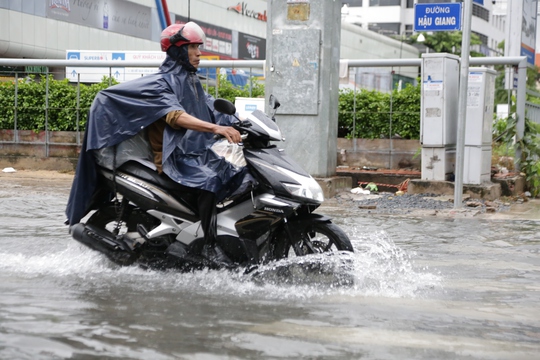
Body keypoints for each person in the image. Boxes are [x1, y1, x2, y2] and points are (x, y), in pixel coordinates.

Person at [65, 22, 251, 267]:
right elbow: (175, 115)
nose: (198, 53)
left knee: (239, 175)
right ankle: (209, 246)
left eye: (198, 46)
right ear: (177, 51)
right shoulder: (161, 83)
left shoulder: (190, 81)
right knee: (210, 182)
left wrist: (244, 123)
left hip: (194, 153)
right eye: (192, 47)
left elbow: (211, 107)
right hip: (173, 158)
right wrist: (217, 129)